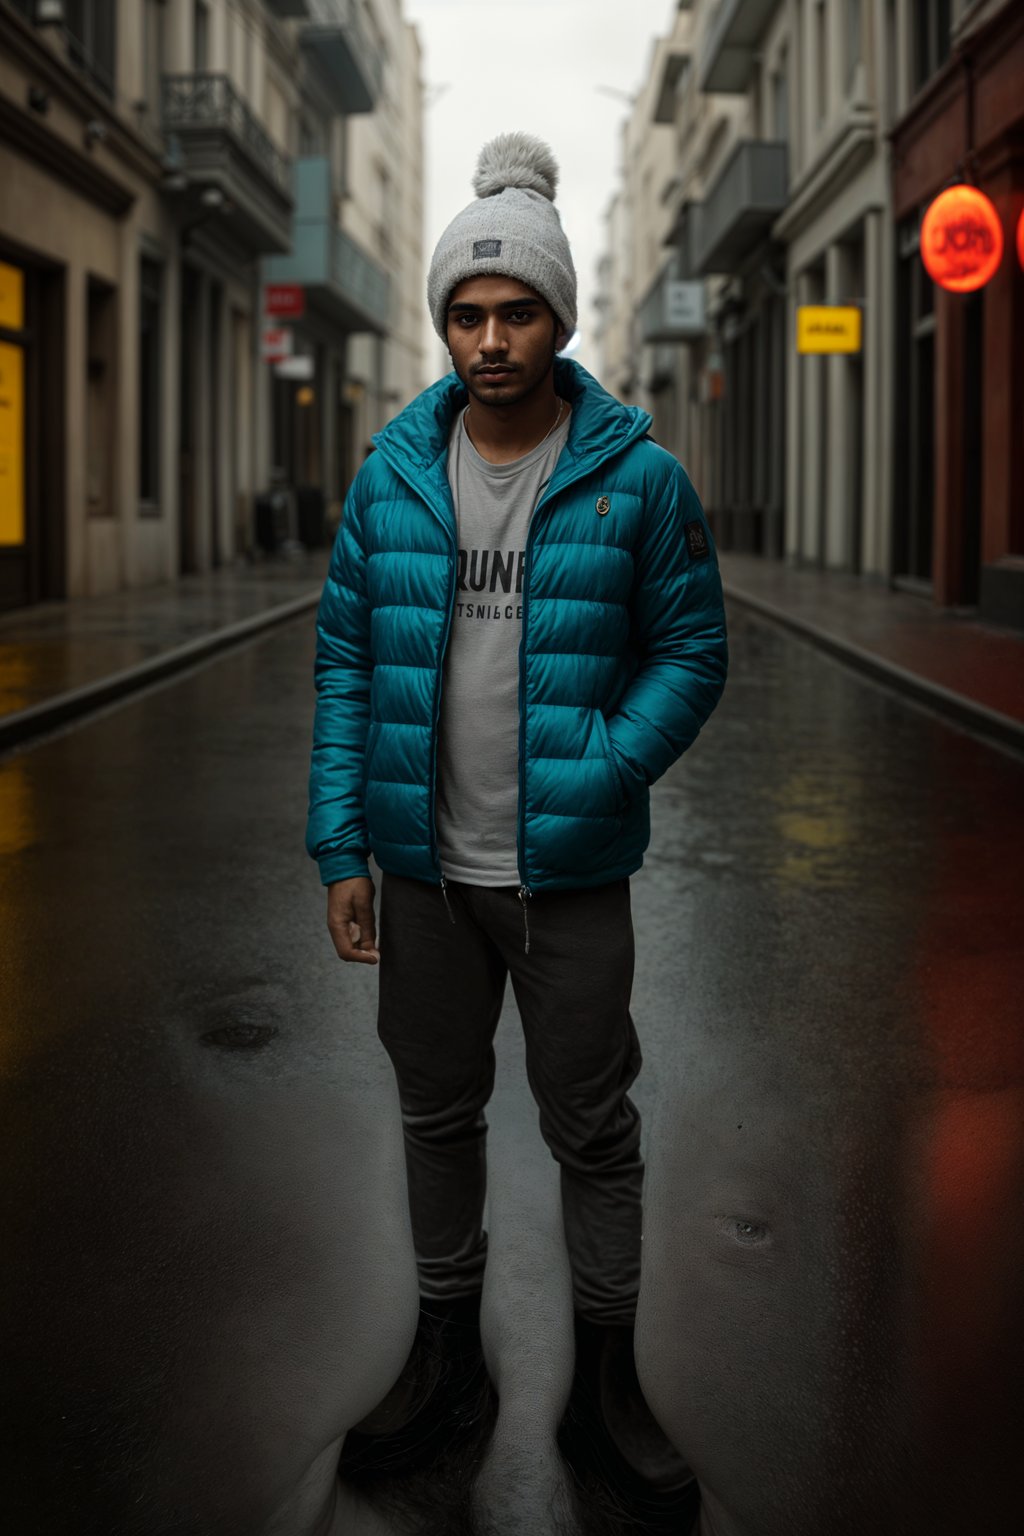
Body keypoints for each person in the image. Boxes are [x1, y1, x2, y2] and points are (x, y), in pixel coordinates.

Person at [307, 132, 728, 1487]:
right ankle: (448, 1363)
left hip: (569, 875)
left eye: (516, 311)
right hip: (422, 870)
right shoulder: (392, 479)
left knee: (592, 1127)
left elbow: (692, 651)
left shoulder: (641, 481)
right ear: (446, 325)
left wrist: (609, 765)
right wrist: (340, 848)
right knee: (437, 1116)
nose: (489, 337)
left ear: (558, 318)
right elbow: (348, 662)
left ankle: (607, 1387)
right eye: (467, 314)